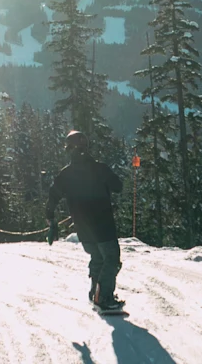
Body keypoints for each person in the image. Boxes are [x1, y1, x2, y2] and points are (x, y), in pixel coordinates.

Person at [46, 130, 125, 312]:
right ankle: (103, 298)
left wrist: (51, 219)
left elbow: (52, 197)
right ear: (86, 147)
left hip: (83, 228)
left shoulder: (65, 174)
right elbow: (118, 187)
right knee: (111, 259)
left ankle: (95, 293)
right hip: (103, 225)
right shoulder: (100, 168)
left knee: (97, 257)